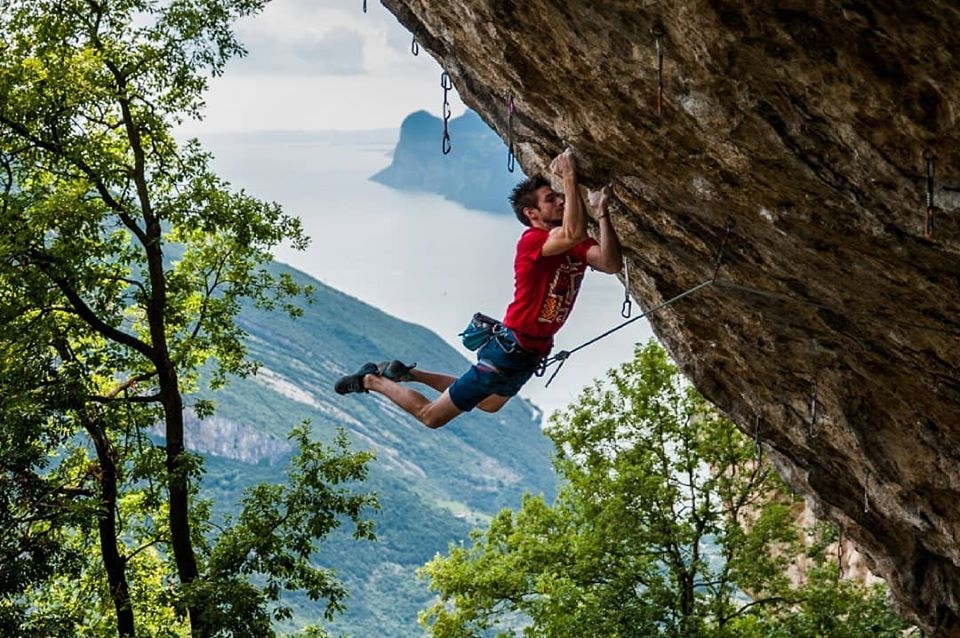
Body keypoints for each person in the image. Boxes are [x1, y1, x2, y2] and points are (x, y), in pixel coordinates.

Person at [334, 149, 623, 428]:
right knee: (431, 417)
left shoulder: (574, 245)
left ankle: (408, 373)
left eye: (560, 197)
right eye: (551, 199)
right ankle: (371, 380)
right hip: (511, 351)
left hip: (529, 351)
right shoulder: (532, 241)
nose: (560, 202)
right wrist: (569, 177)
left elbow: (609, 263)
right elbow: (572, 231)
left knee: (489, 403)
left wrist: (601, 214)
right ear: (531, 213)